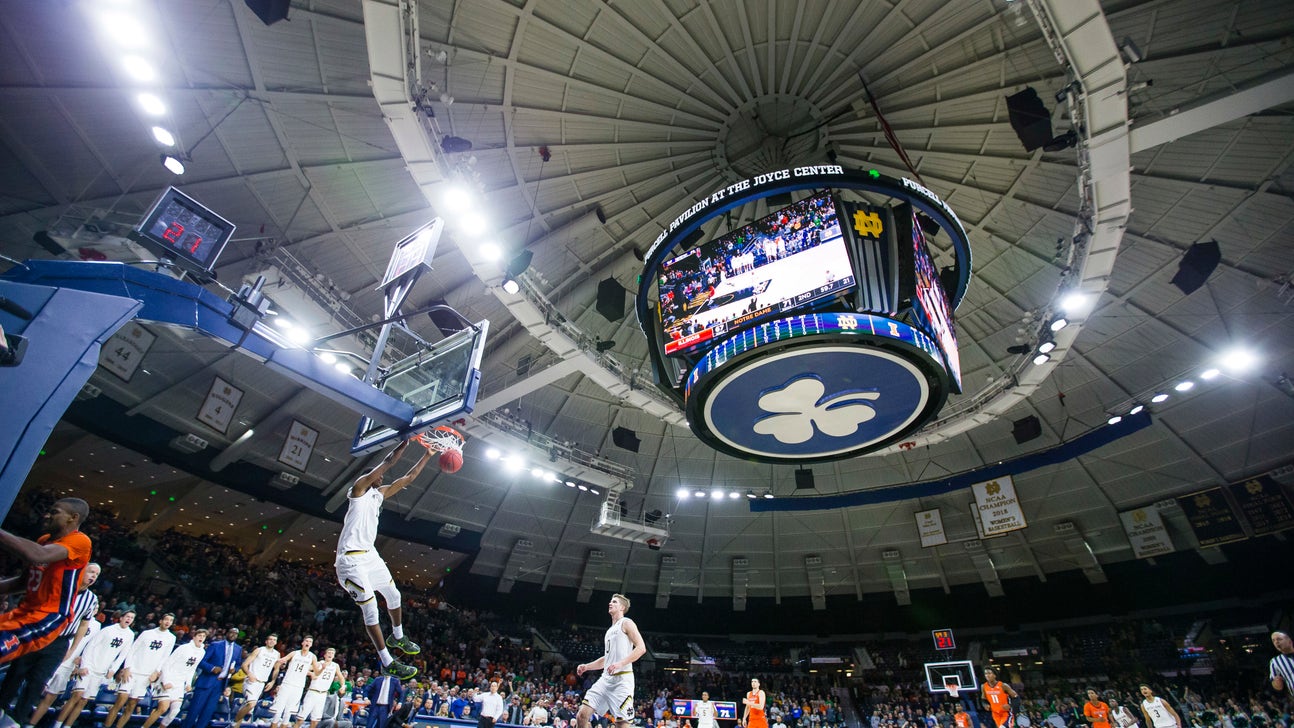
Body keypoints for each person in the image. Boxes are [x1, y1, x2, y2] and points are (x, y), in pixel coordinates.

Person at [335, 439, 432, 680]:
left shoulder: (379, 495)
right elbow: (388, 463)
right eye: (376, 476)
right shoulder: (358, 491)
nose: (381, 478)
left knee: (395, 595)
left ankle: (397, 636)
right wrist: (405, 441)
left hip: (370, 556)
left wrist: (428, 455)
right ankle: (387, 661)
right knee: (371, 611)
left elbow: (408, 478)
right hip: (350, 562)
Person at [0, 561, 100, 726]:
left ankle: (17, 720)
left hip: (59, 642)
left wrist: (72, 649)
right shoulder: (61, 586)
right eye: (91, 572)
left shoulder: (91, 599)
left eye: (96, 575)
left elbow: (84, 624)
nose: (93, 576)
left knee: (38, 682)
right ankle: (1, 707)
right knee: (16, 672)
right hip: (39, 633)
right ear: (81, 572)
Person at [0, 498, 93, 665]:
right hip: (24, 612)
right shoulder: (44, 540)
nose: (47, 515)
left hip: (49, 616)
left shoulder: (80, 541)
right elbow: (24, 582)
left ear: (73, 517)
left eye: (55, 512)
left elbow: (38, 555)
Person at [49, 610, 135, 728]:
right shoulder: (107, 630)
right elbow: (90, 646)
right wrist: (84, 665)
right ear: (121, 618)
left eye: (132, 618)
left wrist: (113, 670)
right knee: (76, 696)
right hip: (89, 667)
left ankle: (67, 725)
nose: (129, 619)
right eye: (127, 616)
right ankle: (57, 725)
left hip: (101, 672)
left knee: (84, 701)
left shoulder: (130, 635)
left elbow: (123, 655)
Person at [575, 594, 646, 728]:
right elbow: (607, 659)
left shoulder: (626, 623)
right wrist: (587, 667)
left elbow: (641, 648)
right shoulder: (610, 631)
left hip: (622, 680)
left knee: (621, 724)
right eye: (610, 601)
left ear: (622, 607)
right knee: (582, 715)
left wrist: (620, 663)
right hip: (605, 679)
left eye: (614, 602)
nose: (610, 603)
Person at [104, 612, 178, 728]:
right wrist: (127, 668)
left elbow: (165, 657)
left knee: (131, 706)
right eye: (166, 619)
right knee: (119, 702)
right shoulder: (147, 633)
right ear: (160, 621)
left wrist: (156, 672)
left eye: (170, 621)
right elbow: (132, 650)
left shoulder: (171, 638)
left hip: (146, 676)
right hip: (132, 672)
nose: (168, 622)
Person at [140, 628, 208, 728]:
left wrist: (188, 683)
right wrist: (166, 681)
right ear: (194, 637)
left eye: (203, 636)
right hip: (168, 679)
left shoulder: (202, 652)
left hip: (179, 684)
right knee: (163, 708)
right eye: (199, 635)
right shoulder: (183, 648)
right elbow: (167, 663)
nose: (201, 638)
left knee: (175, 711)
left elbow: (192, 669)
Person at [180, 626, 244, 728]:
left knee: (207, 713)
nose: (233, 635)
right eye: (231, 632)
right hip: (207, 681)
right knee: (194, 710)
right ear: (226, 633)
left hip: (220, 684)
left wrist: (234, 670)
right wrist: (212, 668)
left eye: (236, 634)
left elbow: (238, 664)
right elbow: (201, 661)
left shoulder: (238, 649)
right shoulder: (215, 645)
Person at [233, 633, 282, 728]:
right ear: (266, 641)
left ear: (276, 642)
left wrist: (272, 681)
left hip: (261, 683)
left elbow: (276, 669)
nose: (272, 641)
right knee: (252, 704)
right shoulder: (259, 650)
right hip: (251, 681)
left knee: (247, 706)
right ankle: (234, 723)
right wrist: (249, 674)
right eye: (270, 639)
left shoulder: (277, 654)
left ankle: (236, 725)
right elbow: (244, 665)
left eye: (274, 640)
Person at [270, 636, 319, 728]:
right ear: (302, 643)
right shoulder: (294, 653)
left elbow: (316, 671)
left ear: (311, 644)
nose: (308, 642)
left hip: (299, 687)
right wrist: (279, 663)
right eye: (306, 641)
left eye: (310, 641)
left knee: (288, 713)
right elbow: (282, 660)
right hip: (287, 684)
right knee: (278, 711)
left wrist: (312, 673)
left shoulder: (312, 657)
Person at [295, 647, 341, 728]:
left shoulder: (335, 666)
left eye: (332, 653)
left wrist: (343, 686)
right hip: (313, 692)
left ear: (334, 656)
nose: (330, 654)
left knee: (315, 721)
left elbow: (341, 678)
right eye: (329, 653)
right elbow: (305, 668)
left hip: (323, 695)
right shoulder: (319, 663)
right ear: (325, 655)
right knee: (301, 719)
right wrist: (311, 674)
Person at [1269, 631, 1294, 698]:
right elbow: (1277, 686)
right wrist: (1277, 683)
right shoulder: (1275, 661)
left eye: (1279, 639)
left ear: (1289, 641)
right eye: (1273, 640)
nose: (1276, 642)